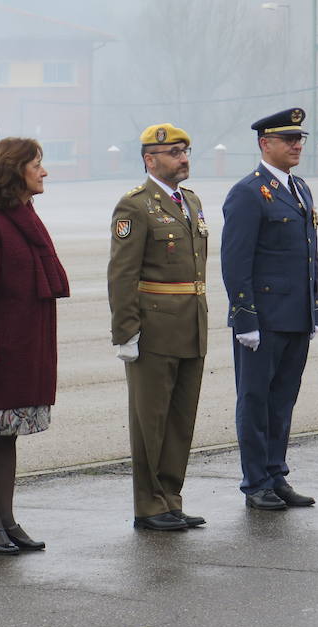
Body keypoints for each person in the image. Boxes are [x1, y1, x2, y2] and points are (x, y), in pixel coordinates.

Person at [0, 137, 69, 555]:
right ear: (15, 171)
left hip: (25, 347)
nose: (44, 172)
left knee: (8, 437)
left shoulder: (24, 218)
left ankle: (7, 520)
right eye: (37, 164)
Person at [107, 123, 209, 531]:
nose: (184, 159)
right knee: (150, 421)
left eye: (186, 151)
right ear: (151, 159)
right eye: (175, 153)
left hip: (191, 325)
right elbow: (121, 274)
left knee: (181, 420)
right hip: (153, 330)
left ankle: (171, 499)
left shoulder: (192, 201)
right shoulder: (135, 206)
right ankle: (148, 505)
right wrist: (126, 332)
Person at [220, 108, 318, 510]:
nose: (297, 145)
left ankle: (276, 474)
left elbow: (308, 256)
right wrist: (245, 317)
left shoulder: (299, 189)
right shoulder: (248, 192)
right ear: (265, 144)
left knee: (283, 399)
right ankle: (256, 481)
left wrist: (312, 311)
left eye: (300, 139)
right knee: (255, 399)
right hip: (262, 320)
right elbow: (235, 260)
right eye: (288, 139)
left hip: (295, 315)